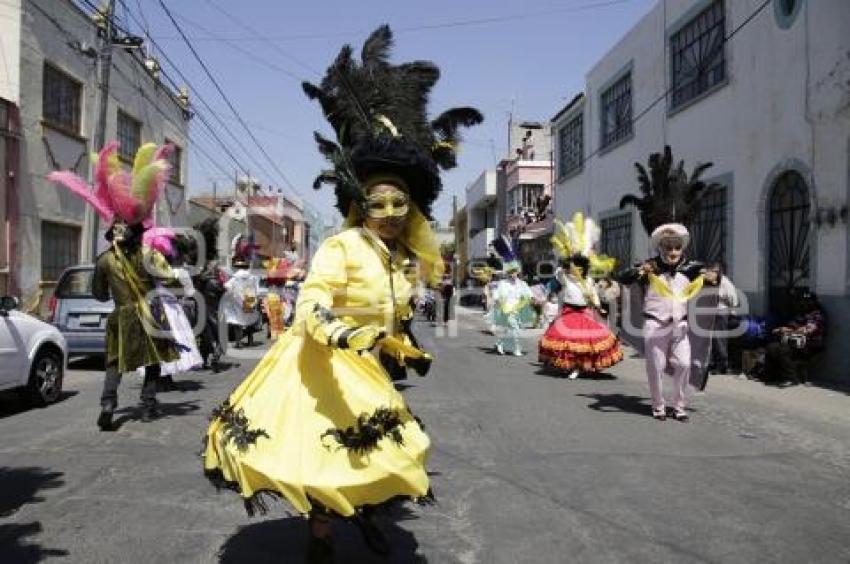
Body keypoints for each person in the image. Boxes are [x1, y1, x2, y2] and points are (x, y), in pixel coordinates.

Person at [202, 25, 481, 563]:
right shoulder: (341, 246)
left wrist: (400, 339)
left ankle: (368, 513)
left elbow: (397, 305)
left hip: (370, 366)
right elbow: (312, 304)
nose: (393, 215)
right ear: (362, 203)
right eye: (381, 204)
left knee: (376, 448)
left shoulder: (397, 257)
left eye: (401, 205)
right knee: (326, 455)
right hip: (323, 363)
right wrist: (349, 331)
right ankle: (323, 539)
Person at [48, 141, 180, 430]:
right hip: (148, 313)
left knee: (114, 364)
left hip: (120, 316)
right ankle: (147, 406)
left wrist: (111, 292)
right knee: (153, 361)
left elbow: (98, 293)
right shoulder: (148, 254)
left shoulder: (105, 260)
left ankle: (108, 404)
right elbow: (170, 277)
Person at [616, 223, 704, 421]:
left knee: (683, 364)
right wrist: (640, 271)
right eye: (668, 247)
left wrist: (715, 275)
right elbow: (623, 278)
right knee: (656, 367)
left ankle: (679, 406)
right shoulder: (650, 267)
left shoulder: (691, 268)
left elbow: (714, 275)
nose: (673, 252)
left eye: (677, 247)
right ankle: (658, 406)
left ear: (682, 248)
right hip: (655, 324)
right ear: (660, 248)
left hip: (680, 325)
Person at [539, 213, 623, 379]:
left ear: (584, 268)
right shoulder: (565, 278)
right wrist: (569, 257)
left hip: (585, 312)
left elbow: (593, 295)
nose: (576, 269)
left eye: (579, 266)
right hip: (569, 312)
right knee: (568, 341)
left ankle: (581, 366)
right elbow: (559, 272)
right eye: (573, 266)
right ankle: (572, 366)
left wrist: (599, 307)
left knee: (585, 342)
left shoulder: (589, 280)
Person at [764, 290, 825, 385]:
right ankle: (772, 376)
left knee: (783, 350)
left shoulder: (817, 315)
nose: (805, 304)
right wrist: (781, 329)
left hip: (811, 346)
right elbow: (792, 325)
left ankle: (791, 379)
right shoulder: (801, 314)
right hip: (795, 343)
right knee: (771, 347)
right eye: (803, 301)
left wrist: (789, 331)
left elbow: (807, 331)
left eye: (807, 301)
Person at [490, 236, 535, 356]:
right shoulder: (503, 283)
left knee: (513, 330)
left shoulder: (522, 283)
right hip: (507, 310)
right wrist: (498, 303)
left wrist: (533, 299)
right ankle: (517, 349)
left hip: (518, 309)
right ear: (508, 273)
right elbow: (497, 295)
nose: (513, 274)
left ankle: (500, 343)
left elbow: (529, 294)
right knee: (514, 329)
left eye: (515, 272)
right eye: (511, 272)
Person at [703, 263, 739, 375]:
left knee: (719, 339)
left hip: (721, 313)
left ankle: (722, 365)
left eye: (714, 271)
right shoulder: (709, 282)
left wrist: (731, 313)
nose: (711, 273)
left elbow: (733, 300)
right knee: (712, 339)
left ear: (719, 273)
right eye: (710, 271)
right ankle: (715, 361)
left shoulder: (725, 283)